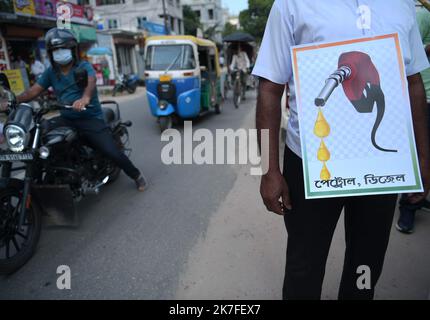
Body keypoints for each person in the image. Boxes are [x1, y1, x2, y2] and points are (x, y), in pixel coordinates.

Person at [253, 0, 430, 300]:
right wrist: (270, 170)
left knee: (366, 266)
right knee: (303, 266)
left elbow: (413, 82)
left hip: (382, 166)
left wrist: (424, 159)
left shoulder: (402, 5)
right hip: (312, 163)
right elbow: (270, 88)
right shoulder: (291, 4)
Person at [16, 28, 147, 191]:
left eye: (63, 49)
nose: (59, 53)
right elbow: (33, 91)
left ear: (72, 50)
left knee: (111, 151)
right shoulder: (51, 72)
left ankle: (136, 175)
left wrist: (84, 98)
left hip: (89, 117)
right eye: (56, 50)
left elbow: (90, 83)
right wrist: (14, 100)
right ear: (51, 53)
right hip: (67, 118)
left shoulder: (84, 66)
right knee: (41, 135)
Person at [396, 3, 430, 234]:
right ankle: (408, 206)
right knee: (417, 154)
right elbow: (407, 57)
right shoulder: (421, 15)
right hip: (424, 95)